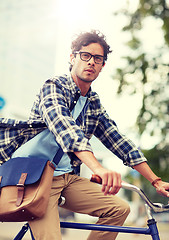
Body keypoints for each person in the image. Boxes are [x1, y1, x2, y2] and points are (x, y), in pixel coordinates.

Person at [0, 30, 169, 240]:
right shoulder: (54, 86)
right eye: (85, 55)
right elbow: (65, 128)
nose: (91, 62)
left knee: (118, 209)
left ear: (102, 66)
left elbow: (119, 141)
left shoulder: (93, 102)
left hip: (66, 178)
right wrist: (97, 167)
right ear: (73, 58)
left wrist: (155, 181)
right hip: (32, 177)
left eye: (98, 59)